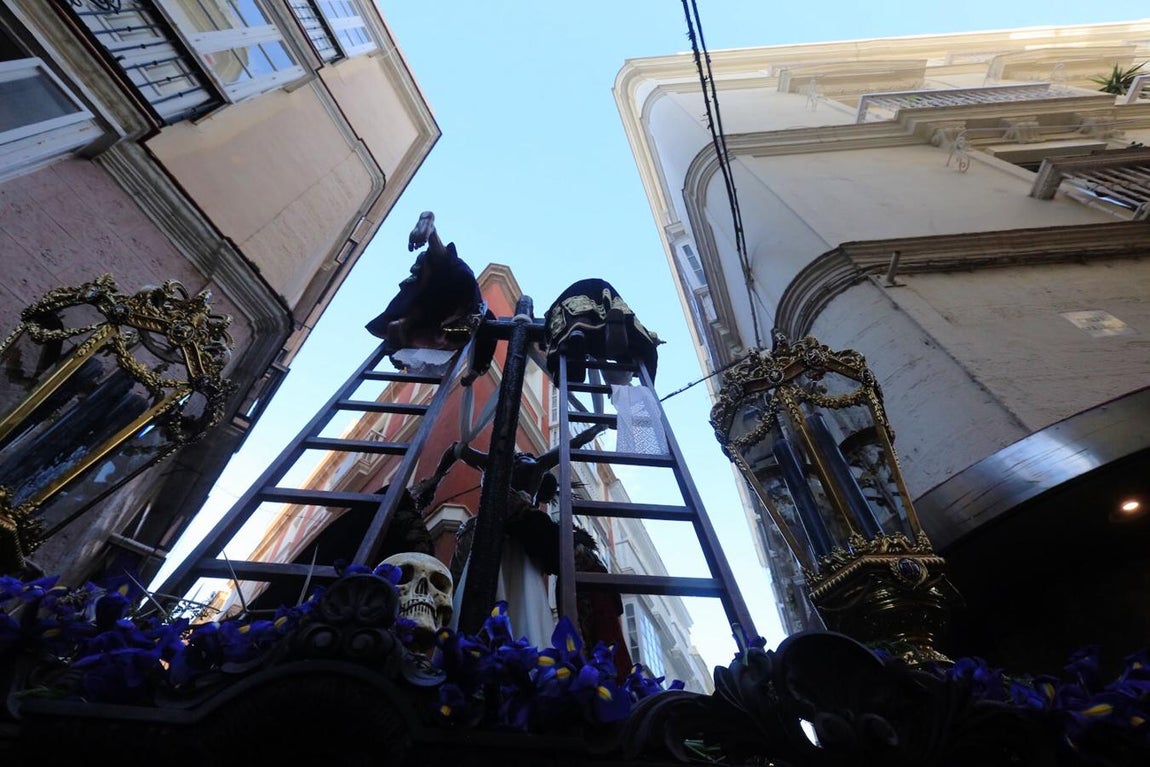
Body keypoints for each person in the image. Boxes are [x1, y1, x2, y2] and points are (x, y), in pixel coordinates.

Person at [365, 212, 487, 370]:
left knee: (445, 271)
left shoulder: (417, 332)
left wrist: (479, 368)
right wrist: (477, 369)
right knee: (446, 270)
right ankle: (432, 235)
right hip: (452, 302)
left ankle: (432, 235)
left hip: (435, 301)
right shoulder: (429, 338)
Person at [540, 278, 663, 384]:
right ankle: (583, 337)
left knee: (585, 338)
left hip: (577, 299)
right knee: (631, 350)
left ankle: (577, 342)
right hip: (597, 298)